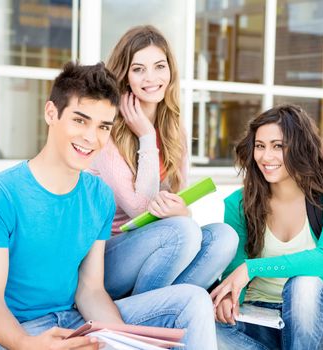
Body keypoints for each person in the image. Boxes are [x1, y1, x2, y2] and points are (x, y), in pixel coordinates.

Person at [0, 62, 217, 350]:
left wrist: (123, 342)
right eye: (80, 121)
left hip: (73, 320)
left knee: (193, 301)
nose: (91, 138)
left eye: (103, 126)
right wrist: (29, 344)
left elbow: (91, 289)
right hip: (11, 334)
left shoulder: (99, 196)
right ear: (51, 113)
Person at [89, 25, 238, 299]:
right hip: (106, 258)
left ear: (170, 71)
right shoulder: (107, 130)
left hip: (160, 245)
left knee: (224, 236)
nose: (152, 78)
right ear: (124, 76)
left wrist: (183, 212)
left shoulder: (173, 130)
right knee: (182, 231)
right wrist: (146, 137)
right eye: (138, 69)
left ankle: (164, 307)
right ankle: (144, 316)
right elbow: (140, 209)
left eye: (159, 66)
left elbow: (174, 204)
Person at [210, 104, 323, 350]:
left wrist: (252, 268)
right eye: (260, 146)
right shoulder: (238, 203)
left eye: (278, 146)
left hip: (316, 316)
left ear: (300, 147)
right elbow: (234, 270)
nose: (266, 157)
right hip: (257, 316)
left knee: (304, 284)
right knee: (200, 323)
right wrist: (227, 299)